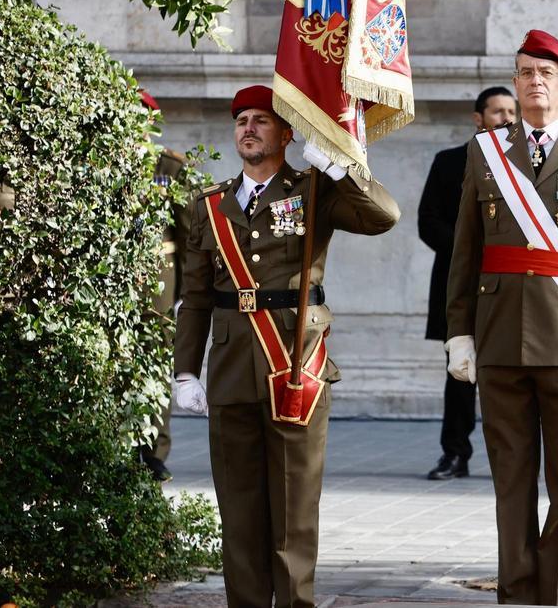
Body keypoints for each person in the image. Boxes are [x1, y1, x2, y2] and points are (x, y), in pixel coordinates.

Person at [173, 85, 400, 608]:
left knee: (294, 510)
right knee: (240, 507)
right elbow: (195, 297)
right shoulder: (208, 207)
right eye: (241, 121)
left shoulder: (315, 190)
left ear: (287, 132)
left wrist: (342, 169)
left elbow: (383, 216)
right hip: (230, 366)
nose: (248, 129)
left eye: (260, 121)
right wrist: (186, 371)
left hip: (295, 365)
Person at [444, 30, 558, 606]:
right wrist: (460, 331)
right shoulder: (485, 151)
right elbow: (467, 247)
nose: (534, 82)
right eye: (525, 73)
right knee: (510, 480)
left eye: (546, 74)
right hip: (501, 335)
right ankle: (516, 591)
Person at [418, 86, 516, 481]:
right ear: (479, 118)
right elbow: (429, 223)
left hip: (510, 286)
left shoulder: (527, 165)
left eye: (512, 111)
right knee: (459, 374)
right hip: (458, 284)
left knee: (508, 376)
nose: (507, 118)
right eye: (497, 112)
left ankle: (510, 456)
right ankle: (454, 454)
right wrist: (471, 253)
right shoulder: (449, 163)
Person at [138, 88, 190, 482]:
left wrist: (187, 295)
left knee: (156, 366)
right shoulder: (99, 160)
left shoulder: (168, 167)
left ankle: (154, 451)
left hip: (159, 282)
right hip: (110, 284)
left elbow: (188, 235)